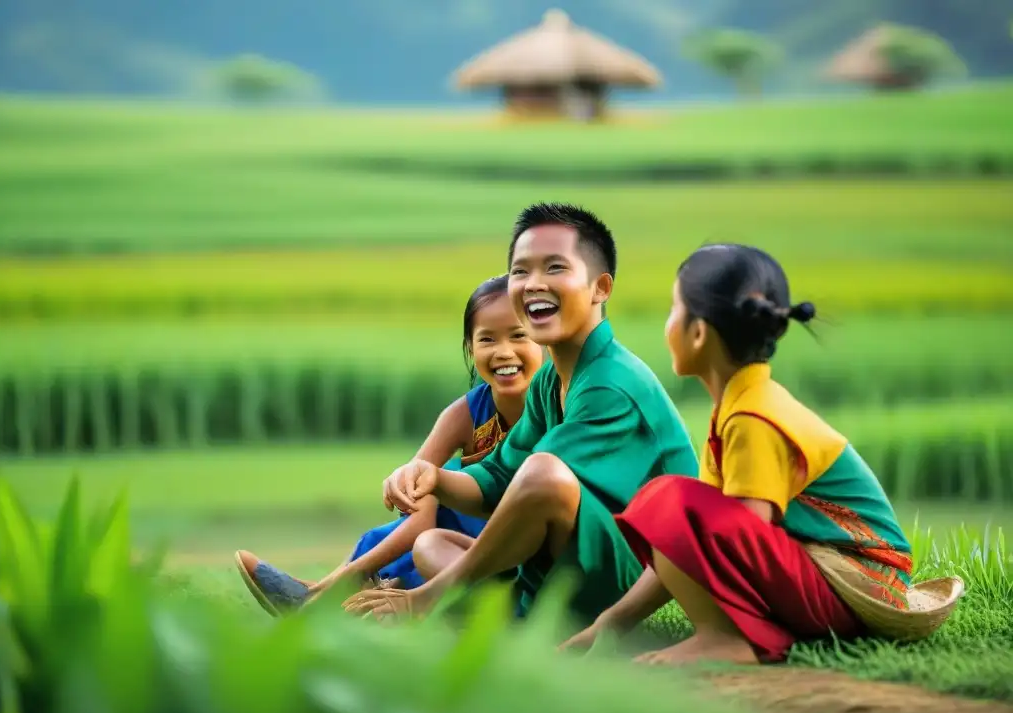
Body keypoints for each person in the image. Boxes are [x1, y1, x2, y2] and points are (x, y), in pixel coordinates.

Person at [561, 243, 962, 665]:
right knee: (672, 504)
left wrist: (674, 513)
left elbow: (737, 538)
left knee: (667, 499)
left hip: (856, 587)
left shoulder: (755, 418)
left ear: (698, 333)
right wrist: (611, 622)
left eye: (674, 308)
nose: (668, 323)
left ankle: (726, 637)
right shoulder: (737, 407)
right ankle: (727, 631)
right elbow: (699, 540)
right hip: (831, 579)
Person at [343, 203, 699, 626]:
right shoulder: (551, 381)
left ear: (599, 288)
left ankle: (432, 600)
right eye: (520, 271)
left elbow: (537, 484)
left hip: (630, 571)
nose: (533, 285)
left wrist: (432, 588)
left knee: (543, 474)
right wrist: (432, 476)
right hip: (565, 561)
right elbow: (498, 477)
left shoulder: (610, 384)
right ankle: (509, 618)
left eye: (554, 268)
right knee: (430, 543)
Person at [234, 274, 544, 617]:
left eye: (519, 335)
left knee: (444, 496)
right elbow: (418, 498)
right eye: (487, 339)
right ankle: (332, 591)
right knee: (428, 495)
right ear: (471, 347)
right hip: (459, 546)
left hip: (523, 554)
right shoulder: (465, 413)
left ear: (545, 339)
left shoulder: (561, 408)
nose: (504, 352)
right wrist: (407, 484)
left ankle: (335, 596)